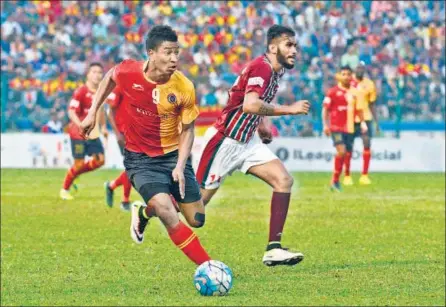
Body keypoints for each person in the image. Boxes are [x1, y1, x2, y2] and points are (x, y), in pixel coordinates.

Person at [80, 25, 211, 266]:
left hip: (172, 156)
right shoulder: (129, 70)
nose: (173, 59)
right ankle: (209, 266)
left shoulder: (184, 87)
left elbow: (189, 129)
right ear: (151, 53)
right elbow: (109, 77)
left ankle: (143, 212)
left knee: (197, 219)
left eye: (176, 52)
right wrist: (91, 113)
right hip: (139, 159)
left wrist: (180, 166)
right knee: (167, 211)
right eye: (167, 52)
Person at [196, 25, 310, 267]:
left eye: (295, 46)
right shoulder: (262, 67)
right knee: (195, 212)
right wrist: (289, 110)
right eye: (289, 45)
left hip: (247, 142)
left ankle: (273, 249)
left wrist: (263, 123)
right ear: (272, 47)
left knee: (284, 180)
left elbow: (247, 97)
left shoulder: (274, 71)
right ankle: (147, 210)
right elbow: (249, 104)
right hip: (224, 142)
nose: (294, 51)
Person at [60, 62, 107, 200]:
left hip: (92, 133)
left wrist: (103, 127)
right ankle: (64, 189)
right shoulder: (81, 91)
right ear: (88, 74)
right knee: (79, 164)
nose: (97, 75)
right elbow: (71, 111)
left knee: (100, 160)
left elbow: (101, 111)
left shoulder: (101, 92)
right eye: (94, 72)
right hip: (78, 134)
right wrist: (80, 125)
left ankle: (75, 173)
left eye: (99, 72)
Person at [322, 65, 368, 192]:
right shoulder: (332, 92)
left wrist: (363, 123)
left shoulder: (355, 92)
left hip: (350, 128)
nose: (346, 76)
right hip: (336, 127)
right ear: (339, 76)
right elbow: (325, 109)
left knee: (346, 154)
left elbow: (359, 110)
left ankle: (336, 181)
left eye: (348, 74)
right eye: (344, 74)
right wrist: (325, 125)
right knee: (341, 151)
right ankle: (335, 180)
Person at [343, 62, 378, 185]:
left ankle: (364, 175)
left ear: (364, 70)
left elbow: (372, 104)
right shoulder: (347, 82)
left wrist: (376, 122)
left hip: (366, 118)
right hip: (351, 118)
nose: (359, 70)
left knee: (367, 143)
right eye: (358, 68)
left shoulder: (369, 84)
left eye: (362, 68)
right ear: (354, 69)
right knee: (348, 147)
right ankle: (347, 175)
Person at [104, 86, 133, 211]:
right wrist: (117, 134)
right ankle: (125, 200)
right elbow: (109, 111)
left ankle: (111, 186)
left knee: (135, 167)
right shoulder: (119, 86)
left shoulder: (141, 85)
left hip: (137, 134)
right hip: (124, 135)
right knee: (132, 167)